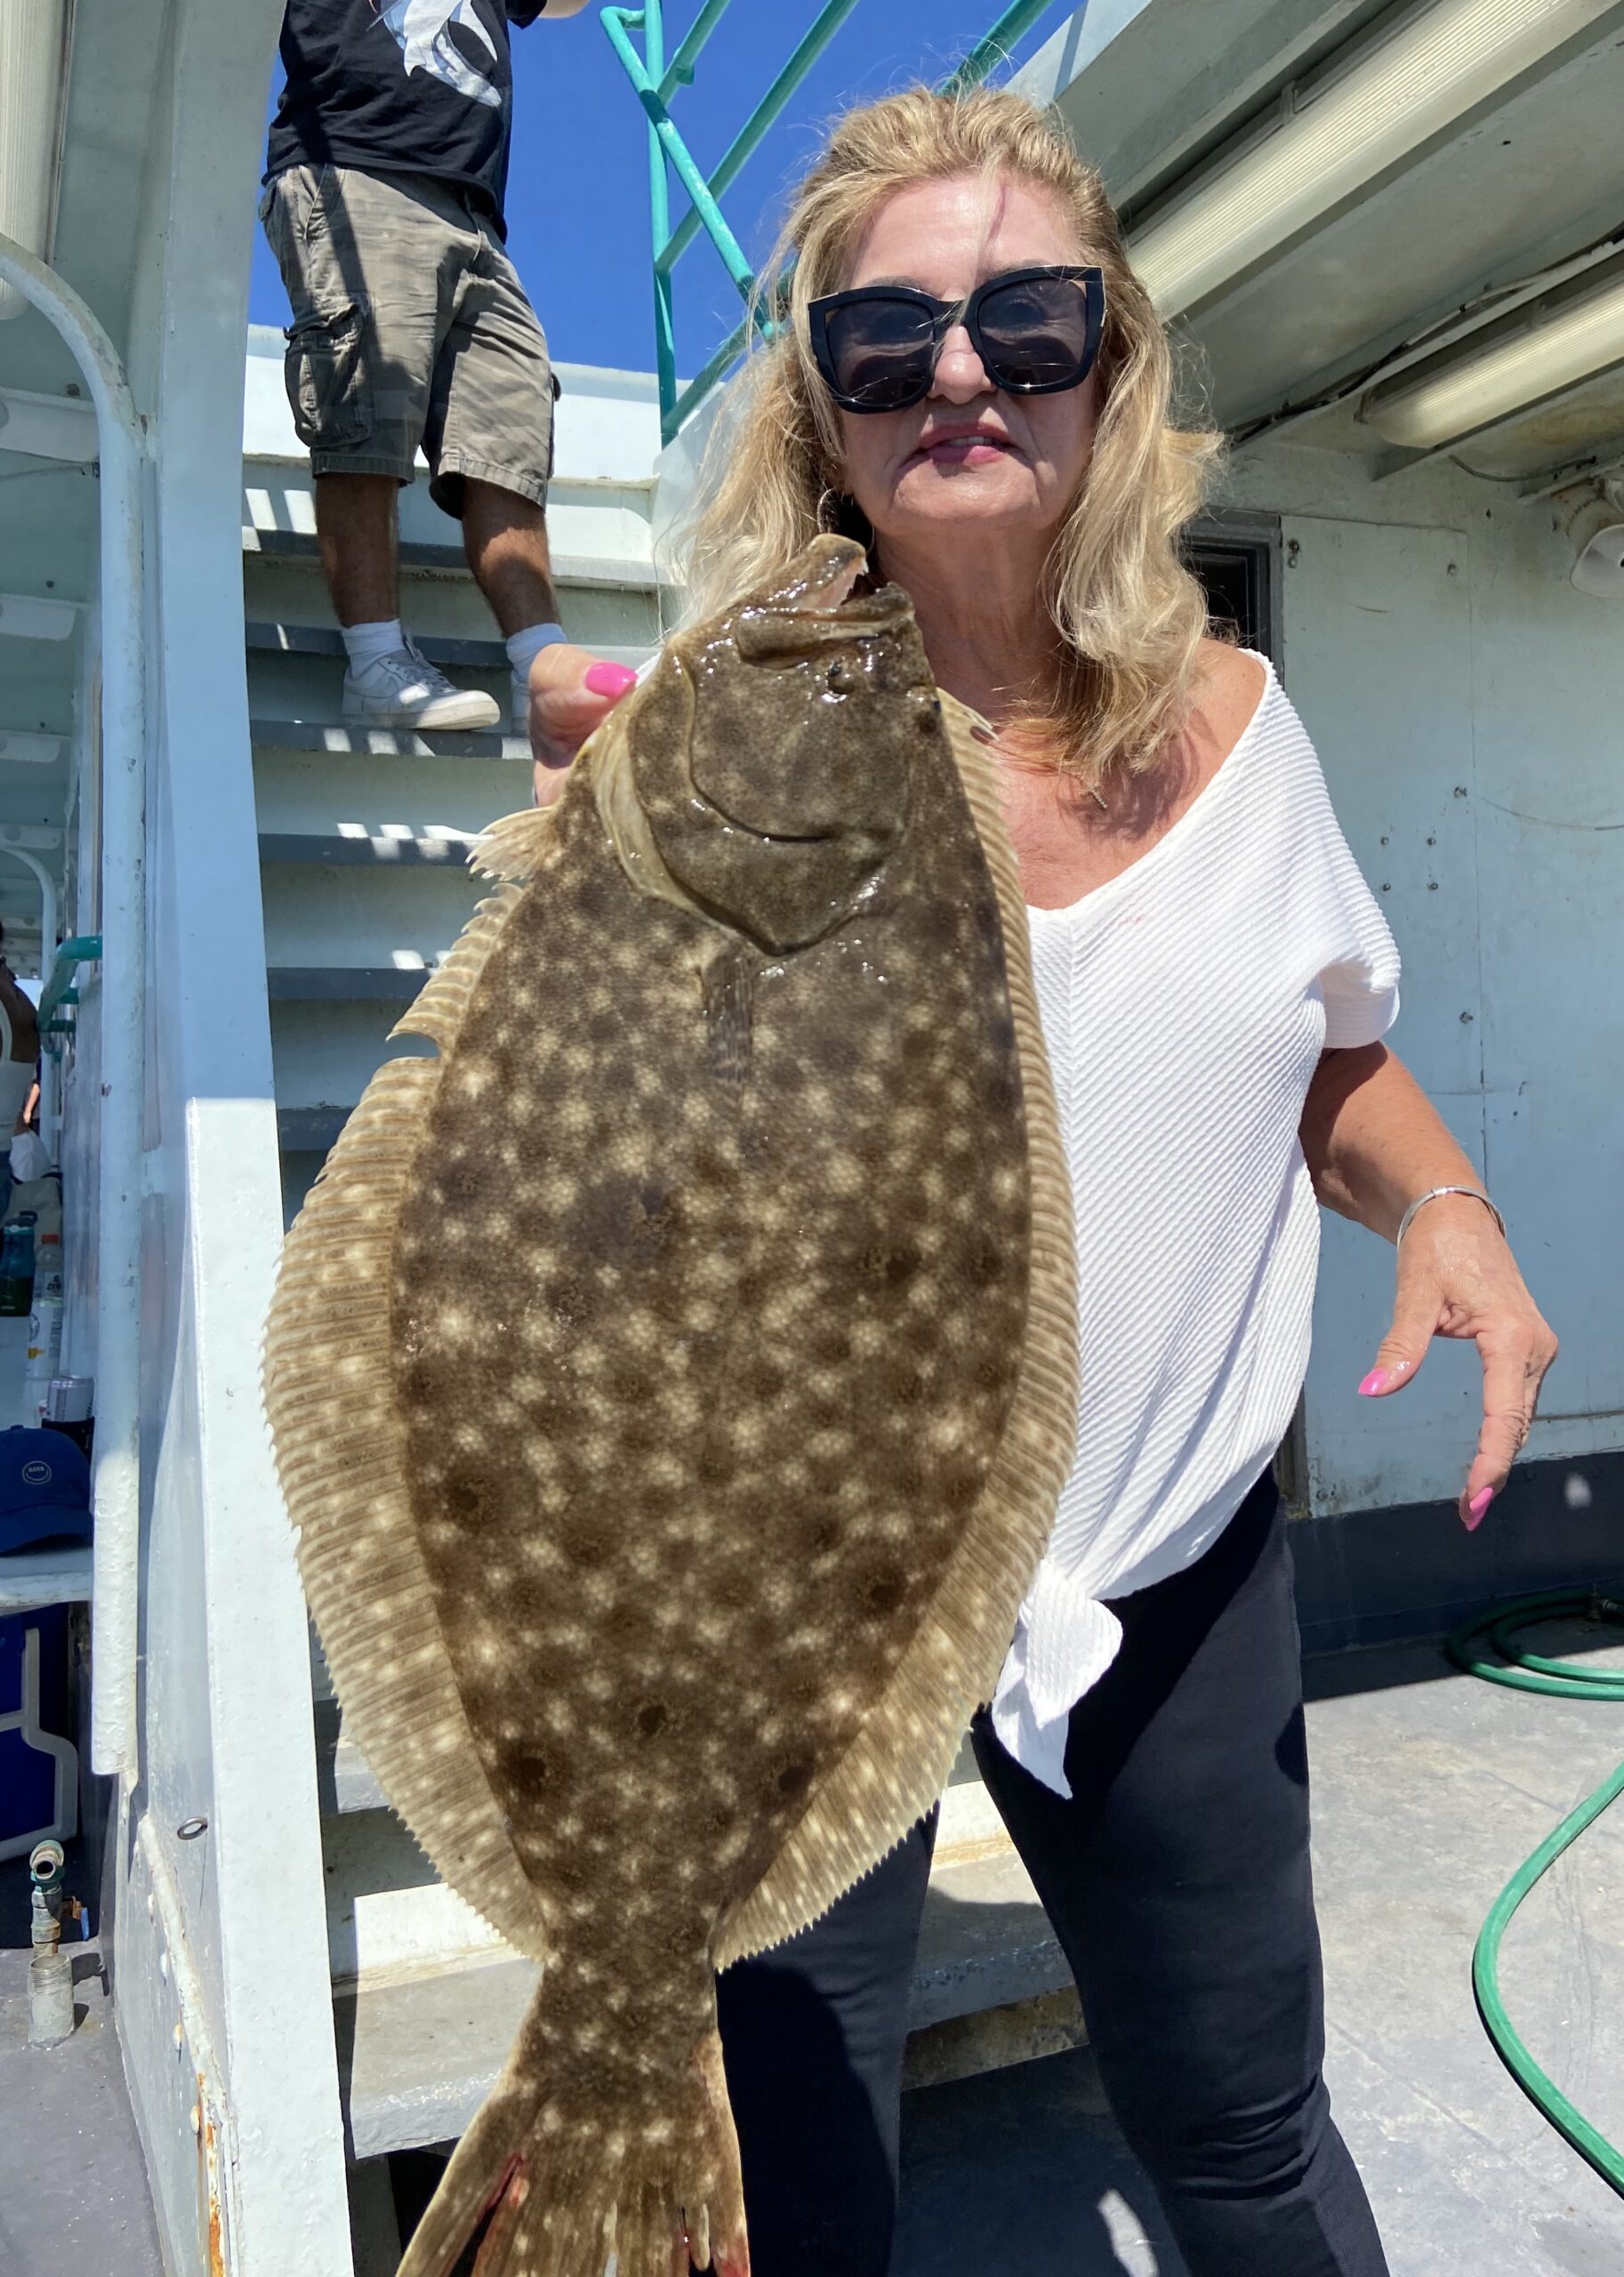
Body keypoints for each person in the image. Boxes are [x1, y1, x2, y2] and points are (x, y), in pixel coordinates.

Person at [527, 87, 1558, 2277]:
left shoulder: (1240, 719)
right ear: (816, 398)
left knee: (1244, 2139)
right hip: (809, 1603)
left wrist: (1442, 1204)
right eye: (882, 337)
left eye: (1024, 315)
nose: (961, 373)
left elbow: (1324, 1047)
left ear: (1110, 360)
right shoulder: (712, 750)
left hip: (1166, 1574)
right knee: (782, 2213)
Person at [261, 0, 590, 736]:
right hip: (355, 168)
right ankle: (375, 659)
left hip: (475, 216)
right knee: (364, 417)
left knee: (505, 445)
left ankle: (541, 663)